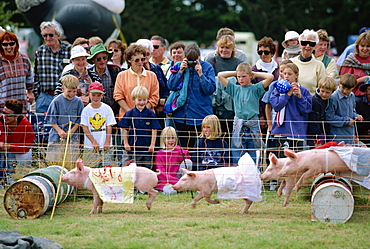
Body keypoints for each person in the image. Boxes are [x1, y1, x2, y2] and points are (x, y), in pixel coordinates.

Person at [218, 63, 274, 164]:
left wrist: (254, 73)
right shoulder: (234, 89)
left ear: (250, 76)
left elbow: (270, 77)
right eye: (239, 77)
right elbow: (220, 75)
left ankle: (254, 176)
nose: (241, 79)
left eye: (244, 76)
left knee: (254, 155)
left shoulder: (255, 88)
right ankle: (239, 177)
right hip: (239, 126)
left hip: (253, 125)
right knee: (238, 155)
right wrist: (237, 72)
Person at [166, 43, 216, 148]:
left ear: (199, 57)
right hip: (180, 115)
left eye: (194, 60)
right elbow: (170, 86)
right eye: (189, 60)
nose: (191, 63)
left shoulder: (207, 67)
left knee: (199, 149)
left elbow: (210, 89)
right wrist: (180, 71)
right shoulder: (179, 65)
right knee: (182, 149)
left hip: (200, 115)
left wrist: (201, 74)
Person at [270, 63, 312, 157]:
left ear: (296, 75)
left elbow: (306, 110)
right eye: (285, 74)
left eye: (289, 74)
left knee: (297, 160)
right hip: (280, 131)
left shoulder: (304, 91)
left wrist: (300, 97)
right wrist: (287, 95)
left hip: (297, 132)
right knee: (281, 159)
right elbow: (276, 106)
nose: (286, 76)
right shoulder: (277, 90)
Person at [205, 35, 243, 133]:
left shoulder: (239, 63)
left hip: (232, 108)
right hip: (214, 106)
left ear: (232, 49)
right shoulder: (211, 61)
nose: (224, 50)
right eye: (222, 47)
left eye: (227, 47)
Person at [45, 75, 84, 169]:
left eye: (74, 91)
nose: (71, 94)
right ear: (63, 89)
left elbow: (80, 119)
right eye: (69, 91)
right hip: (57, 134)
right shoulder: (56, 101)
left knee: (72, 160)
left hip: (72, 135)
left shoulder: (78, 102)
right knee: (54, 160)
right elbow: (51, 119)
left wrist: (72, 131)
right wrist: (59, 131)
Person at [34, 21, 71, 118]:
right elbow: (36, 75)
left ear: (58, 35)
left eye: (51, 35)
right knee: (42, 128)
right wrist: (38, 96)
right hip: (44, 96)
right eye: (44, 35)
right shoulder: (40, 51)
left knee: (63, 126)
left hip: (64, 96)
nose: (47, 38)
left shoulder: (69, 50)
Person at [118, 86, 161, 169]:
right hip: (134, 148)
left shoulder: (151, 114)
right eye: (139, 100)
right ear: (134, 100)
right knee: (134, 169)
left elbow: (154, 129)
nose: (142, 102)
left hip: (147, 149)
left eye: (144, 100)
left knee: (147, 168)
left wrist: (152, 145)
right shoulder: (130, 113)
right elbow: (125, 129)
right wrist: (126, 143)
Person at [114, 44, 159, 118]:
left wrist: (142, 112)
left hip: (147, 117)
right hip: (126, 117)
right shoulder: (121, 76)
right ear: (129, 60)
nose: (140, 62)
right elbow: (118, 97)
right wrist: (131, 113)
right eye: (137, 60)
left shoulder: (152, 75)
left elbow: (154, 97)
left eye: (143, 59)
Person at [0, 99, 35, 188]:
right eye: (4, 112)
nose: (5, 116)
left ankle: (22, 180)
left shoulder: (26, 125)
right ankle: (6, 181)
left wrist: (10, 147)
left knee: (24, 159)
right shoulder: (1, 121)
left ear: (16, 116)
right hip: (5, 151)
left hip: (20, 151)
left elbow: (27, 147)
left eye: (8, 115)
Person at [80, 82, 116, 167]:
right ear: (89, 95)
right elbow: (84, 127)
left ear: (102, 95)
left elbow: (109, 126)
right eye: (93, 95)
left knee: (107, 168)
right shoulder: (86, 110)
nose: (96, 98)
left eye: (98, 95)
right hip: (90, 145)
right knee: (91, 168)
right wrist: (93, 141)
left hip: (105, 144)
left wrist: (107, 141)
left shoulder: (107, 109)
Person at [135, 39, 168, 128]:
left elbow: (165, 87)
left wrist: (163, 101)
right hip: (142, 111)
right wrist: (156, 102)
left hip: (159, 112)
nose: (145, 56)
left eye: (147, 53)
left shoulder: (157, 68)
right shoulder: (135, 71)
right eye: (142, 54)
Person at [0, 31, 34, 113]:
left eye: (11, 44)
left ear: (16, 44)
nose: (9, 47)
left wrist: (30, 92)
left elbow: (29, 78)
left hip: (21, 106)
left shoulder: (24, 59)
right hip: (3, 108)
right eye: (5, 44)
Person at [326, 73, 364, 144]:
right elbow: (329, 117)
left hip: (349, 135)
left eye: (348, 89)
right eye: (343, 87)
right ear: (340, 83)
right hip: (336, 136)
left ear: (353, 88)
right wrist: (346, 121)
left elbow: (352, 111)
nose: (345, 91)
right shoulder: (333, 97)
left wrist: (356, 116)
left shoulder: (352, 96)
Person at [155, 126, 191, 193]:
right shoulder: (159, 154)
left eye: (173, 138)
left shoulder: (177, 150)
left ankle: (185, 184)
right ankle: (181, 188)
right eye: (168, 138)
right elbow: (162, 174)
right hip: (166, 181)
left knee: (188, 162)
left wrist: (180, 150)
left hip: (179, 178)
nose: (171, 140)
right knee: (171, 191)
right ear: (163, 139)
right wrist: (177, 181)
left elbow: (187, 157)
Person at [290, 29, 326, 95]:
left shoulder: (319, 65)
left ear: (315, 46)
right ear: (300, 44)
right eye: (304, 43)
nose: (307, 46)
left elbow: (323, 88)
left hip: (311, 102)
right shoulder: (291, 63)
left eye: (311, 44)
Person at [307, 76, 337, 147]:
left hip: (325, 130)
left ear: (332, 92)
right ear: (319, 88)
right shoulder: (315, 101)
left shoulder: (330, 101)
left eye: (327, 92)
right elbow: (313, 119)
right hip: (316, 132)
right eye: (322, 91)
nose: (324, 94)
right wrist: (316, 135)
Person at [340, 32, 370, 99]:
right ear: (357, 46)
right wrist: (363, 79)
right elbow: (343, 84)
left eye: (368, 46)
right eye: (362, 46)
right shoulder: (350, 61)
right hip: (353, 97)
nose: (365, 49)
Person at [355, 77, 370, 144]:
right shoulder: (358, 104)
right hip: (363, 139)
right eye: (369, 89)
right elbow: (357, 126)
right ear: (365, 91)